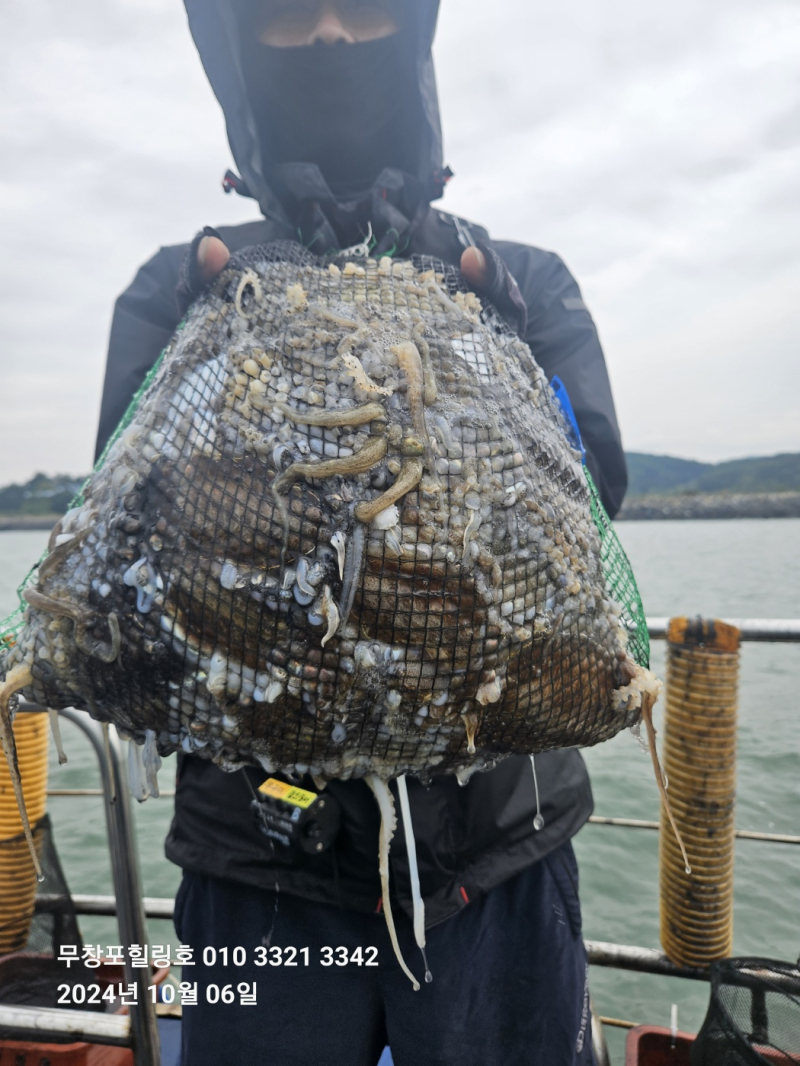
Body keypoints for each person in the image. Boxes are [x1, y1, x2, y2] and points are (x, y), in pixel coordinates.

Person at [96, 2, 628, 1063]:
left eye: (364, 11)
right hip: (261, 865)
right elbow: (128, 537)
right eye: (290, 18)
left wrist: (505, 326)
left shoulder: (515, 278)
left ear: (413, 42)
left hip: (495, 847)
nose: (333, 39)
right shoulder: (186, 287)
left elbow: (594, 488)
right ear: (239, 57)